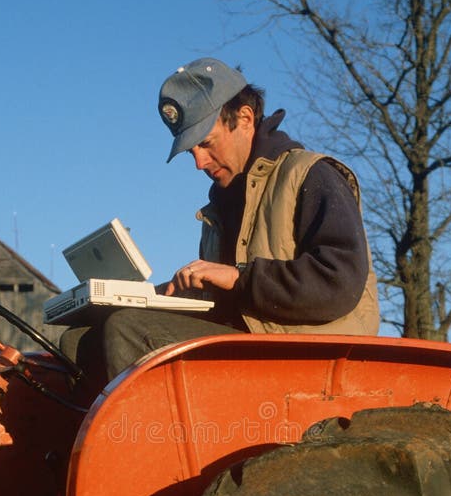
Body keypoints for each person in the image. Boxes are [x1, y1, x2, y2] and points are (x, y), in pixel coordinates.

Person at [61, 57, 379, 381]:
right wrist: (166, 297)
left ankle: (141, 432)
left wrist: (238, 278)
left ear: (244, 119)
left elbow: (340, 281)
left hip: (307, 359)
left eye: (206, 144)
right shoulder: (219, 207)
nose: (199, 162)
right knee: (81, 339)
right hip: (248, 346)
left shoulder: (310, 175)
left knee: (126, 330)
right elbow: (229, 304)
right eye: (191, 151)